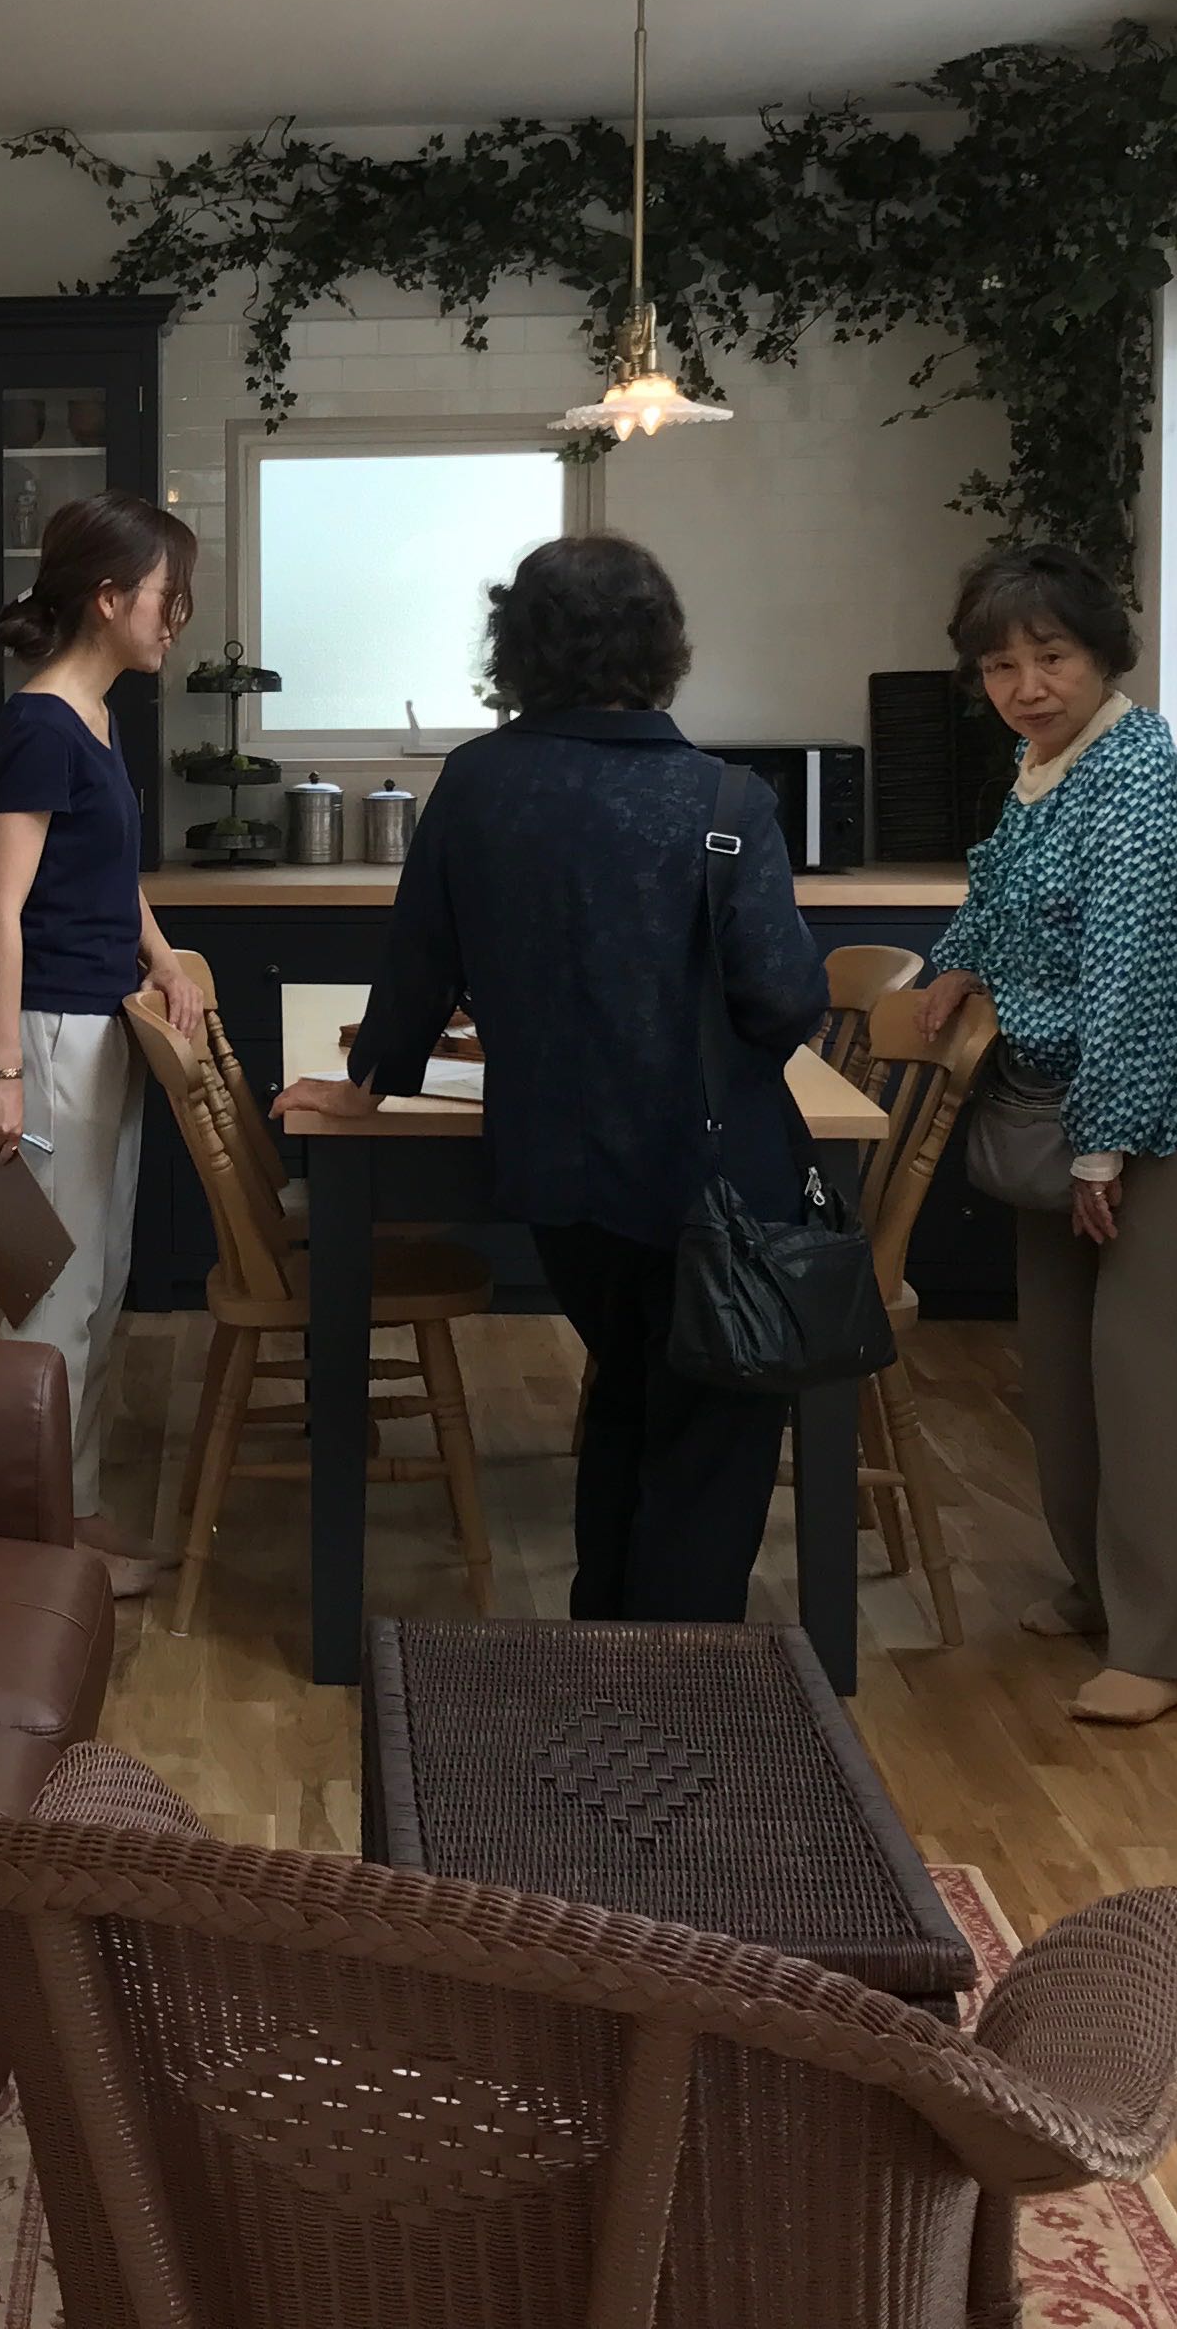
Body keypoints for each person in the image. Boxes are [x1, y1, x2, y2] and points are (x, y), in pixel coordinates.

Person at [279, 536, 826, 1622]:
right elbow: (782, 1001)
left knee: (627, 1382)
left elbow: (419, 962)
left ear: (517, 648)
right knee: (711, 1425)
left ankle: (603, 1636)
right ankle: (674, 1668)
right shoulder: (726, 800)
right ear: (663, 646)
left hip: (559, 1180)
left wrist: (366, 1084)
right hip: (715, 1181)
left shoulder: (479, 782)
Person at [917, 541, 1177, 1728]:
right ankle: (1100, 1589)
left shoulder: (1134, 773)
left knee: (1140, 1378)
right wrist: (956, 963)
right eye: (999, 666)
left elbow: (1129, 975)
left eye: (1050, 657)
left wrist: (1102, 1150)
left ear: (1102, 654)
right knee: (1060, 1378)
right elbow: (1000, 899)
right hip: (1064, 1111)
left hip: (1162, 1121)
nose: (1026, 686)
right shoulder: (1042, 765)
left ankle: (1172, 1645)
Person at [0, 493, 207, 1597]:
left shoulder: (96, 720)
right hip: (50, 1037)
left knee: (98, 1285)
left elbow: (108, 877)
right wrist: (3, 1072)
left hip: (101, 1027)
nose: (177, 618)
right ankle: (41, 1545)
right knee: (49, 1298)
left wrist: (162, 957)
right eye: (168, 596)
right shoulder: (39, 725)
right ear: (110, 600)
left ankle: (77, 1507)